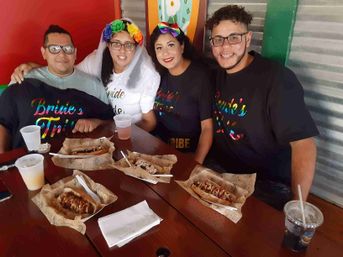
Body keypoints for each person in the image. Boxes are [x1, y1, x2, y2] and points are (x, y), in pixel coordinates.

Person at [205, 5, 319, 208]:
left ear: (248, 39)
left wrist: (297, 206)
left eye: (233, 38)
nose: (225, 48)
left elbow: (304, 145)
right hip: (220, 170)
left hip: (266, 183)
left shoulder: (276, 79)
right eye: (218, 40)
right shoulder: (216, 74)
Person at [11, 18, 160, 132]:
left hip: (130, 135)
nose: (122, 50)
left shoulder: (147, 75)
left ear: (136, 47)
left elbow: (149, 122)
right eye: (116, 43)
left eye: (128, 44)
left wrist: (123, 133)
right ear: (108, 45)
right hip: (102, 131)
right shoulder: (97, 61)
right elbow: (66, 70)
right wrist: (34, 69)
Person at [0, 25, 113, 153]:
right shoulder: (22, 81)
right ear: (44, 53)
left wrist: (96, 122)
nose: (62, 54)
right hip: (29, 163)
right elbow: (4, 123)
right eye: (54, 49)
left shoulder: (94, 86)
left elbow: (110, 122)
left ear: (75, 53)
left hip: (78, 160)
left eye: (68, 49)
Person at [149, 22, 213, 164]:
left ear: (182, 46)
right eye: (159, 48)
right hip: (161, 152)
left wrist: (196, 161)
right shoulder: (159, 75)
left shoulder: (200, 77)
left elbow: (207, 128)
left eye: (171, 45)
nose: (165, 53)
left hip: (189, 155)